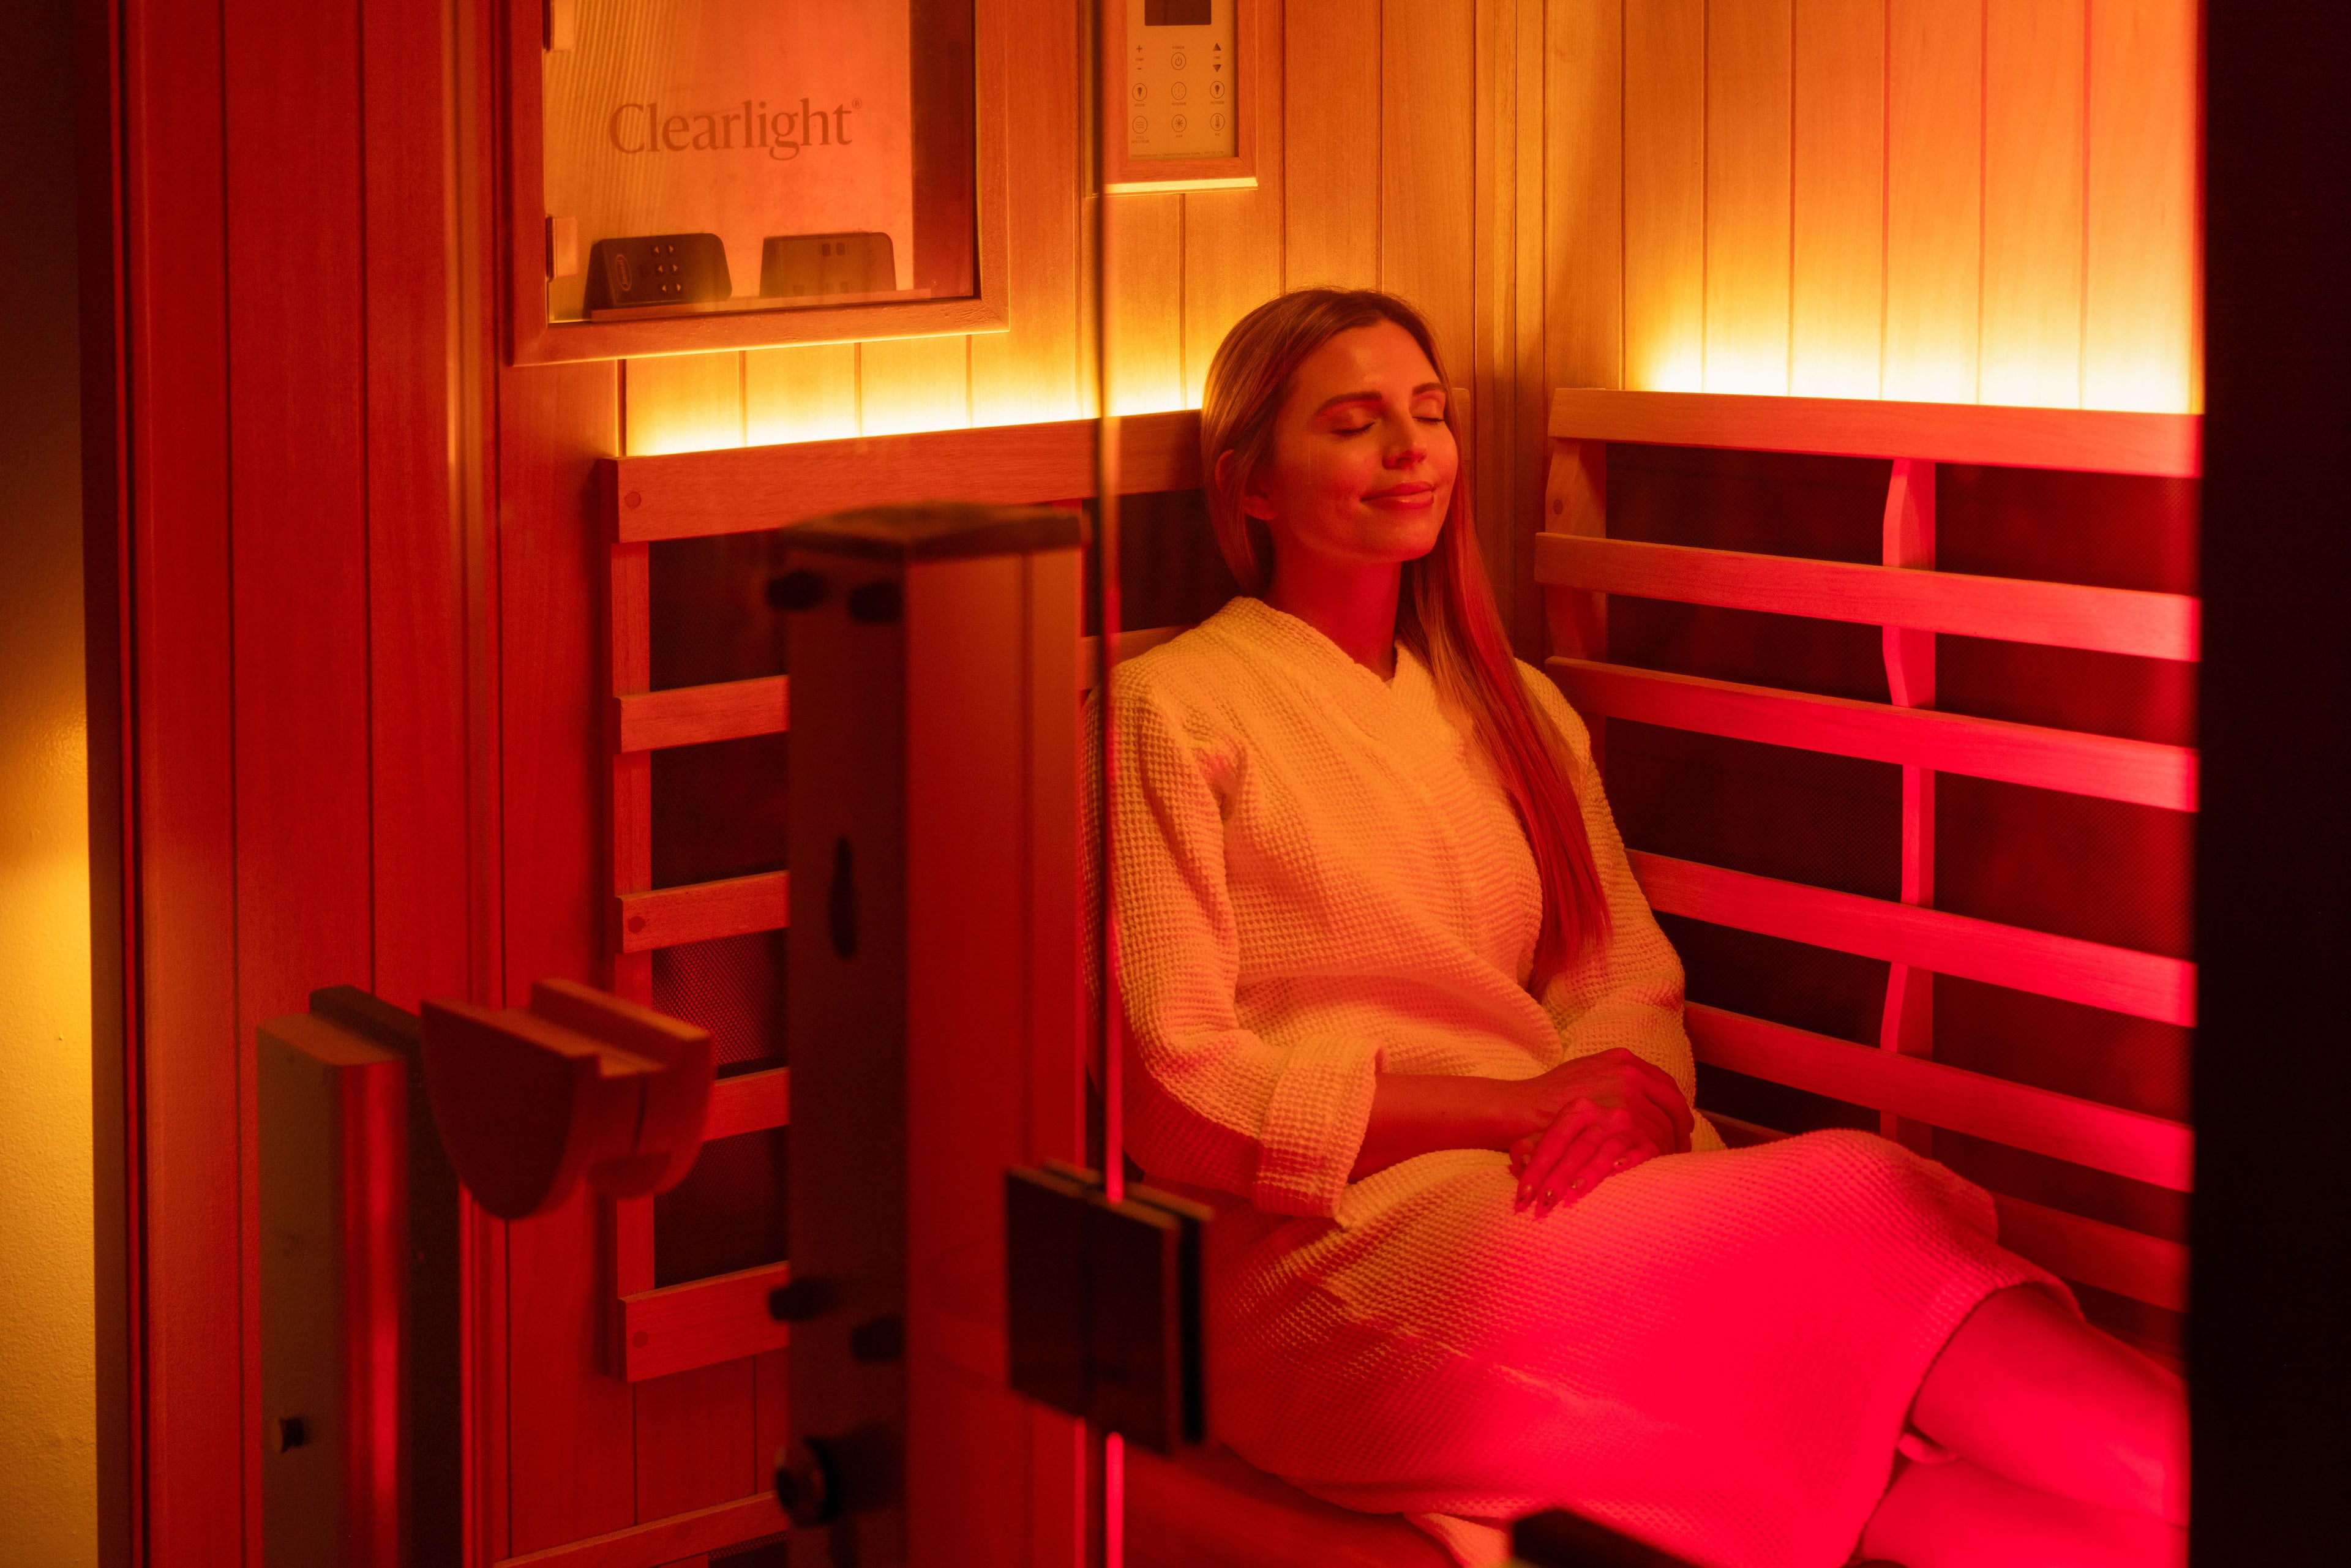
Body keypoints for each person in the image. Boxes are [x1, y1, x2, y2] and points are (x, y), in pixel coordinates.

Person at [1095, 288, 2186, 1567]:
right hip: (1333, 1259)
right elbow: (1177, 1094)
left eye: (1429, 414)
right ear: (1253, 488)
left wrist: (1632, 1105)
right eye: (1354, 422)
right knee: (1853, 1201)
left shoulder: (1517, 716)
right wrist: (1517, 1108)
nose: (1410, 450)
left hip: (1557, 1189)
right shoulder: (1168, 715)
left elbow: (1627, 989)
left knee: (1831, 1417)